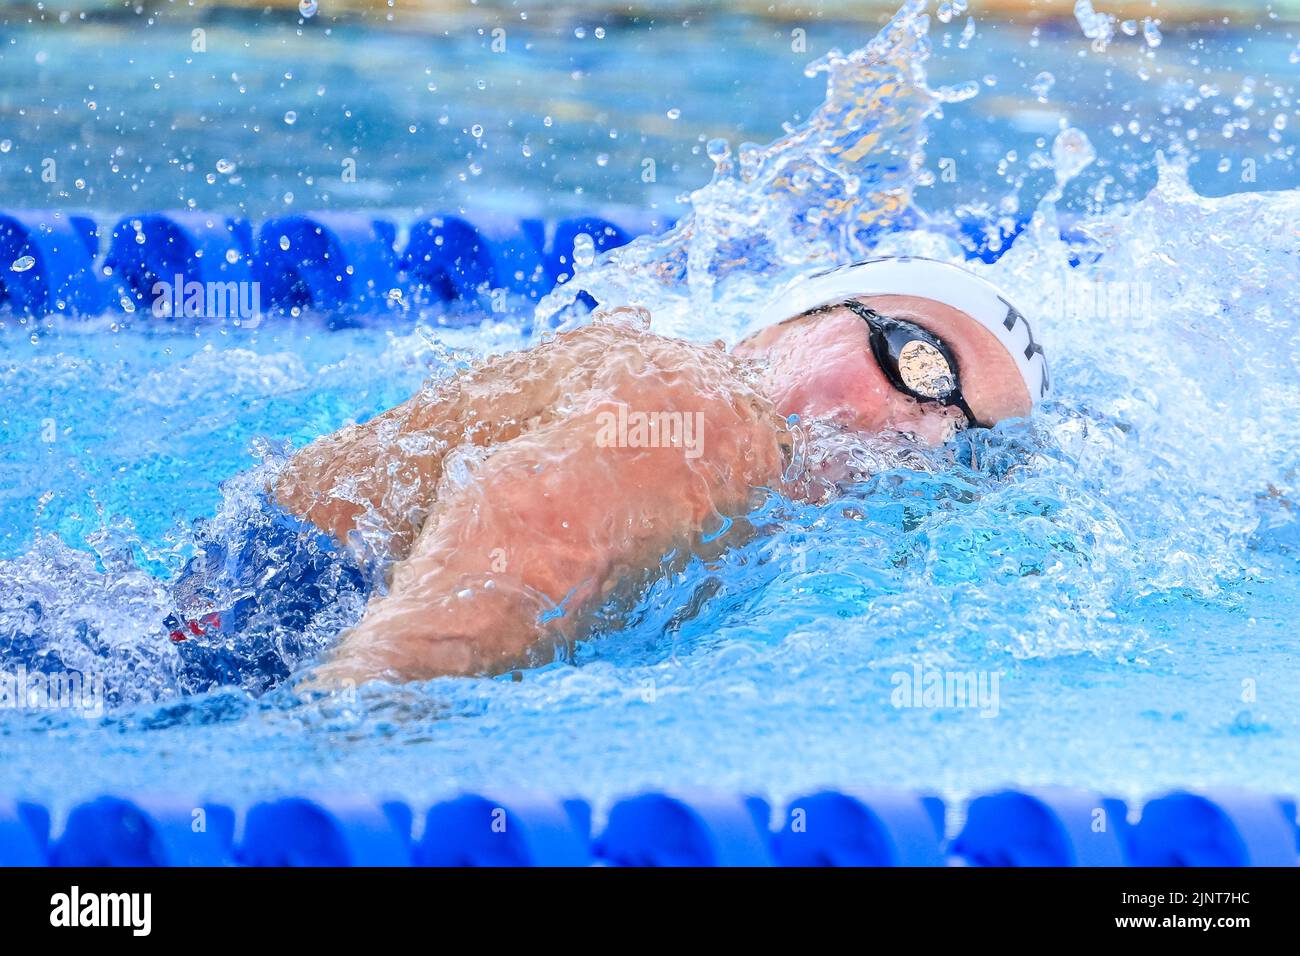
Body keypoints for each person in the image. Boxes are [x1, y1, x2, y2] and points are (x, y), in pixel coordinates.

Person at [168, 256, 1051, 691]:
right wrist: (354, 750)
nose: (922, 431)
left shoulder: (759, 531)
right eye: (921, 362)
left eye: (964, 434)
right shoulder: (700, 412)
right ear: (793, 323)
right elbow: (524, 522)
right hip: (229, 655)